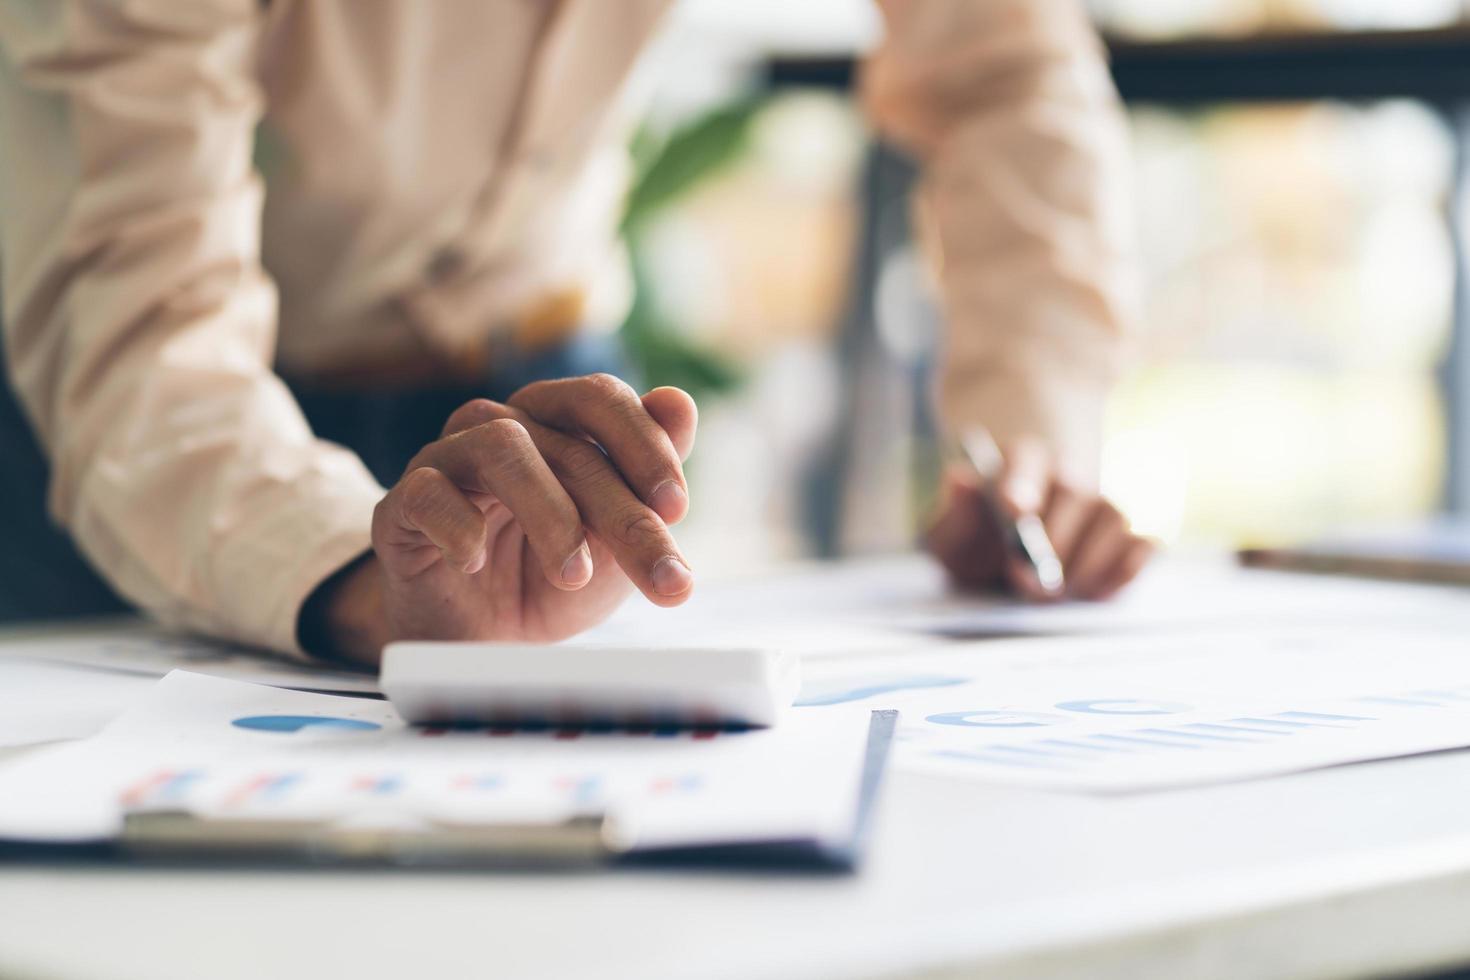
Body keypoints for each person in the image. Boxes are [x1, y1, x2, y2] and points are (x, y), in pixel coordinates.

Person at [0, 0, 1150, 668]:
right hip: (150, 432)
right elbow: (138, 299)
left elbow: (1010, 76)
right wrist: (346, 570)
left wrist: (1027, 451)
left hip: (537, 416)